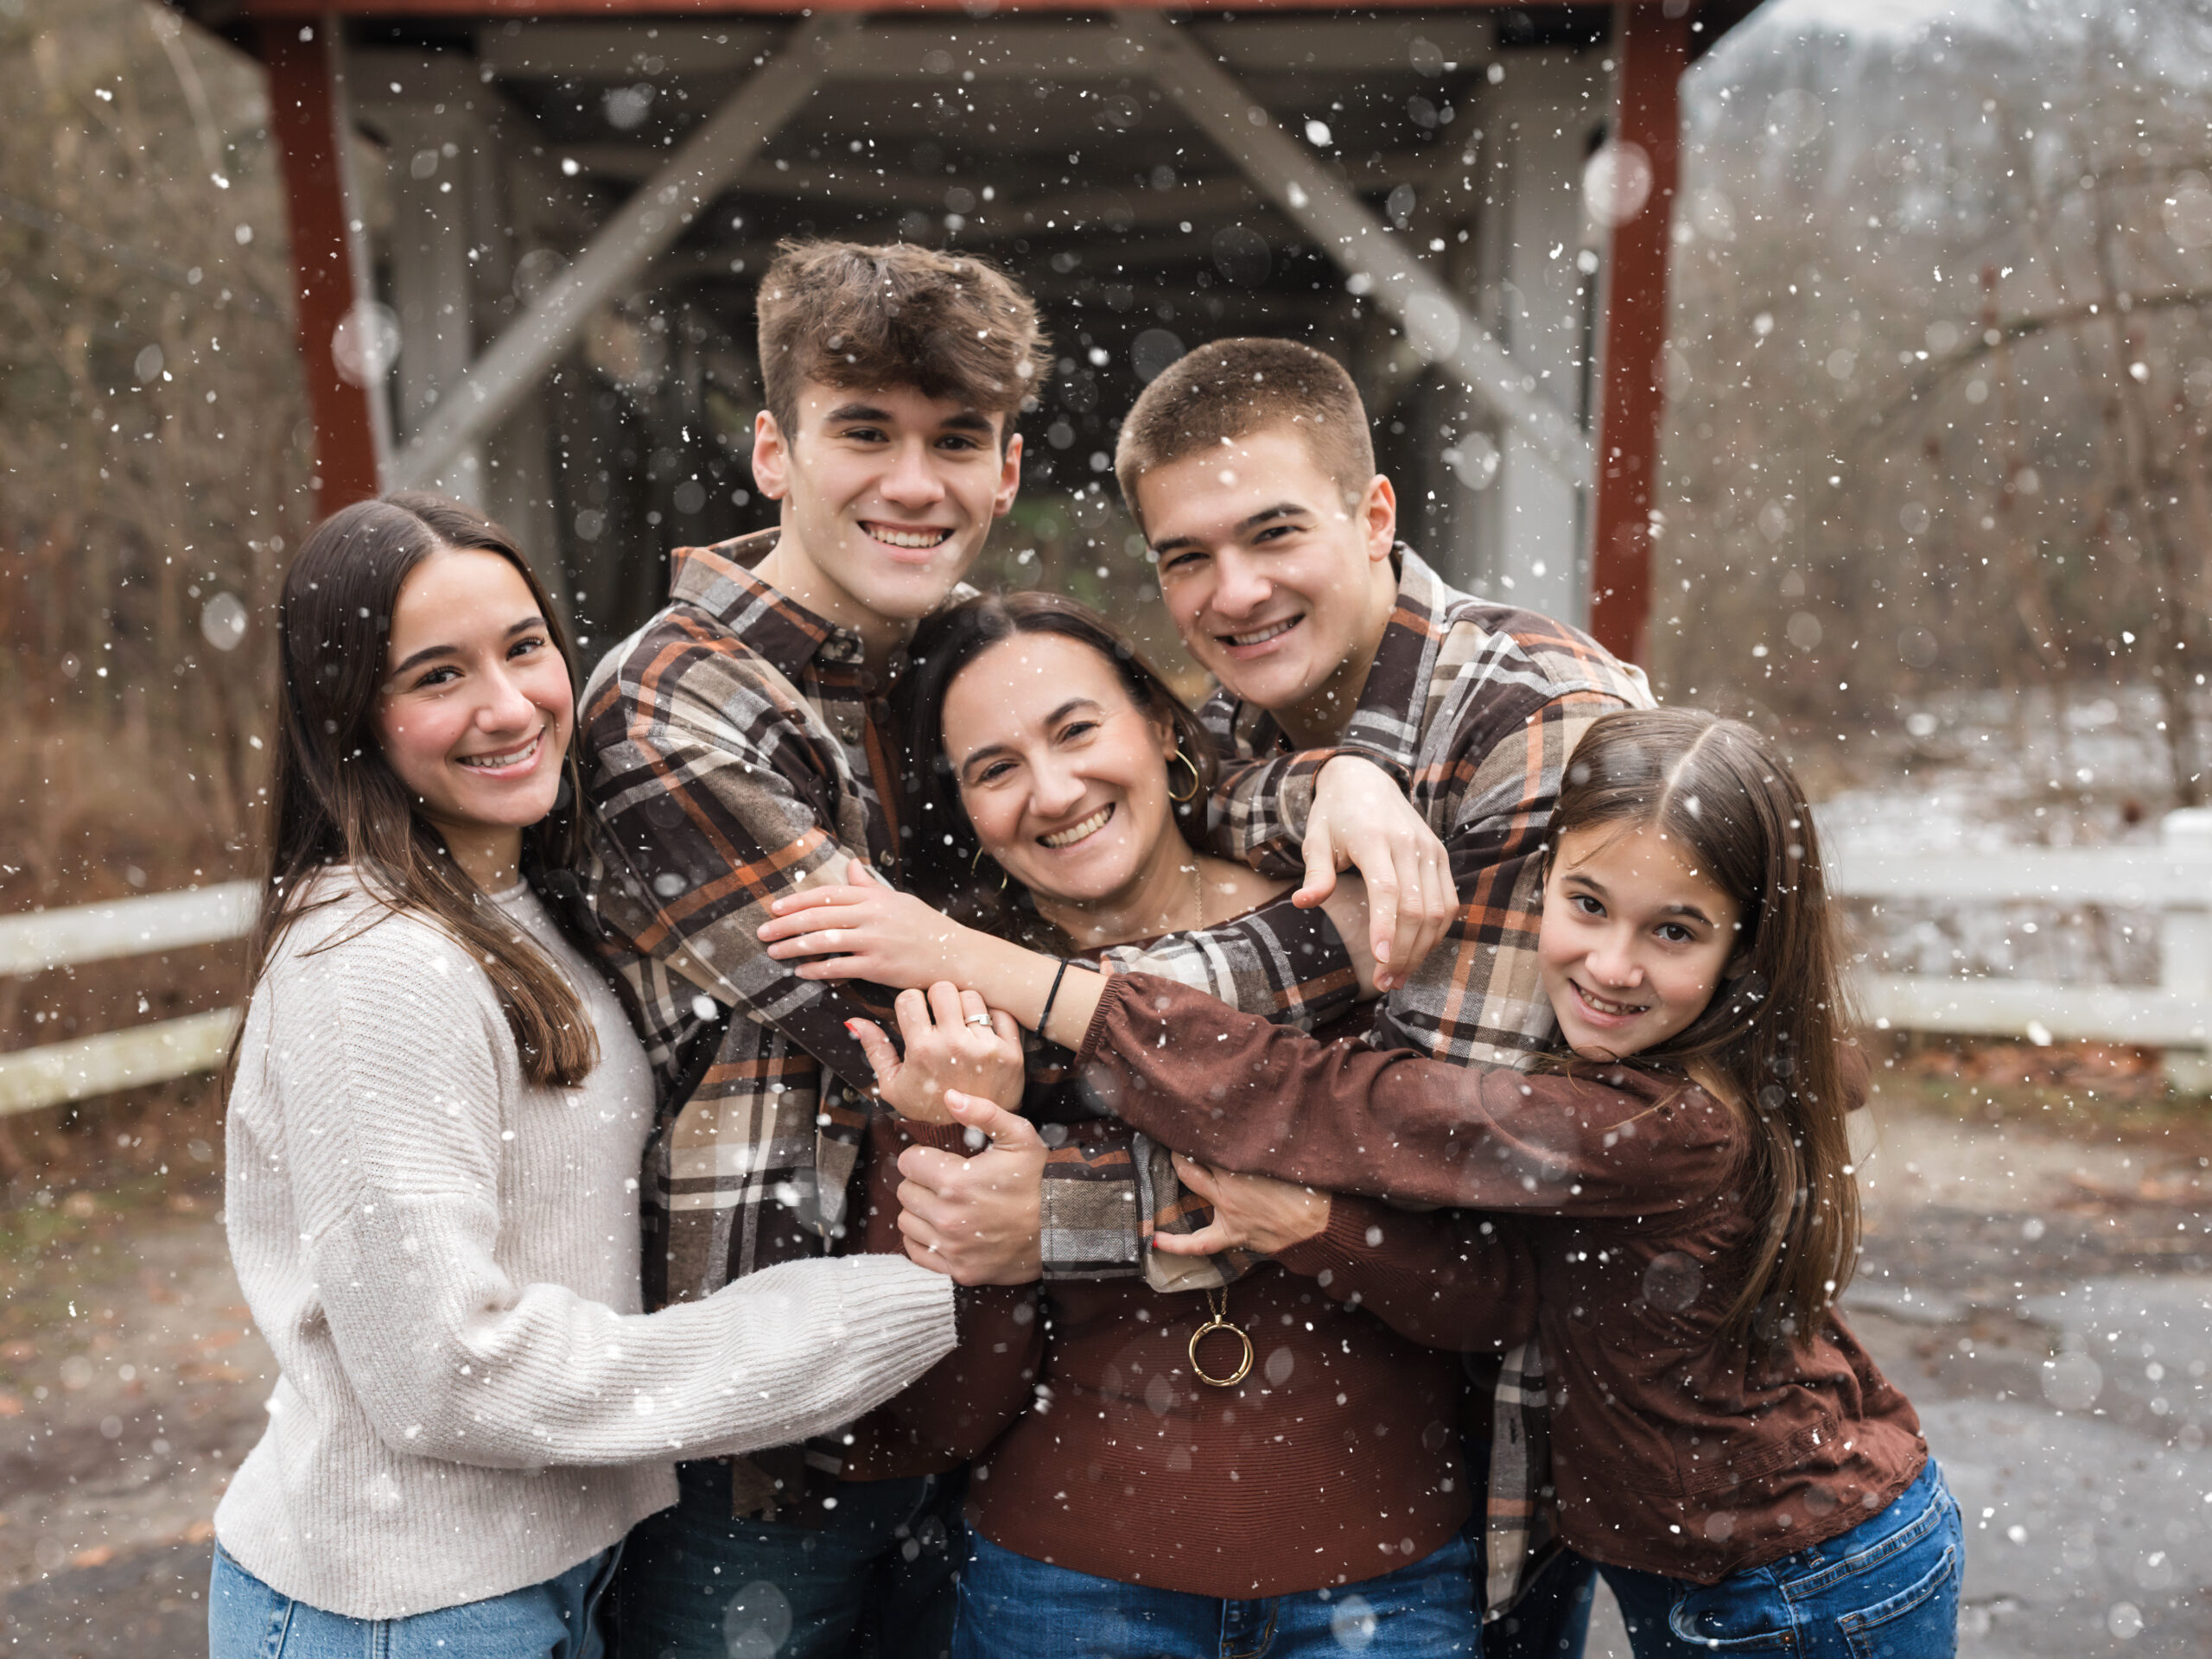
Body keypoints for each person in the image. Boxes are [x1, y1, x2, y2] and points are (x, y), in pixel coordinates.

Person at [764, 334, 1651, 1647]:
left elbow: (1427, 1137)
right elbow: (932, 1413)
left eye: (1272, 533)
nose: (1233, 592)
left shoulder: (1540, 726)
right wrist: (1337, 778)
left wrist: (1063, 1197)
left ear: (1375, 514)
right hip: (1071, 1575)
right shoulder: (1263, 734)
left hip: (1498, 1491)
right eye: (1186, 558)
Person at [577, 248, 1391, 1659]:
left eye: (955, 440)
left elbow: (1171, 789)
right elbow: (932, 1020)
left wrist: (1341, 785)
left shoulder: (949, 665)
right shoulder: (669, 708)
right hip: (777, 1415)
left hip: (980, 1397)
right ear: (774, 452)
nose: (914, 484)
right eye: (864, 434)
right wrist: (1335, 936)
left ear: (1006, 471)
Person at [1046, 709, 1964, 1659]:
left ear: (1745, 948)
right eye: (1589, 905)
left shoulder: (1653, 1124)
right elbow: (1509, 1294)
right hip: (1774, 1555)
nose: (1611, 966)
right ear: (1544, 881)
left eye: (1675, 931)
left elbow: (1334, 1103)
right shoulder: (1693, 1069)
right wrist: (1316, 1226)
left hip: (1796, 1587)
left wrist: (1018, 982)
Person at [208, 494, 958, 1658]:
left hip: (535, 1577)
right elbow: (448, 1372)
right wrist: (856, 1320)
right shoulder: (376, 964)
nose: (509, 708)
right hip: (409, 1606)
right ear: (348, 715)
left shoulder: (512, 904)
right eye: (437, 676)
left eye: (522, 649)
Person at [832, 592, 1540, 1656]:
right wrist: (952, 1145)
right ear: (965, 811)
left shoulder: (1345, 937)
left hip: (1383, 1592)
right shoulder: (954, 1013)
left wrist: (1298, 1224)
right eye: (994, 768)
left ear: (1162, 730)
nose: (1053, 790)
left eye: (1076, 730)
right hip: (1067, 1591)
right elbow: (936, 1420)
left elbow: (1491, 1289)